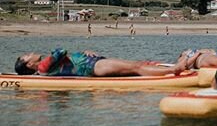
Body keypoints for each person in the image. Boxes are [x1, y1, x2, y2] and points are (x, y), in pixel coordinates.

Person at [15, 48, 183, 77]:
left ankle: (169, 68)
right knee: (136, 68)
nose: (31, 53)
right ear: (29, 65)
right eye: (27, 56)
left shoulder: (45, 67)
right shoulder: (43, 66)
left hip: (93, 63)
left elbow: (67, 58)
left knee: (136, 66)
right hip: (93, 67)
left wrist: (85, 52)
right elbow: (61, 51)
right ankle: (174, 70)